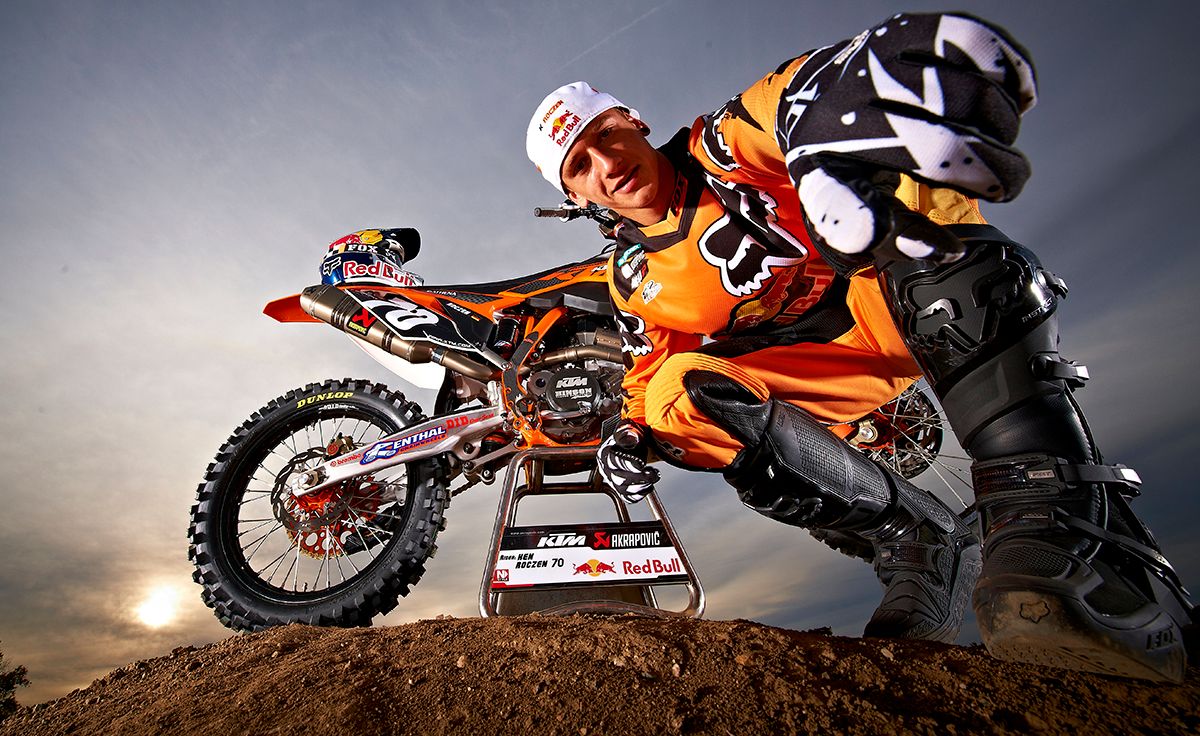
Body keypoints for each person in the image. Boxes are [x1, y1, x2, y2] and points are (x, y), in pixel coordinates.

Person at [525, 12, 1194, 682]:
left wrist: (834, 93)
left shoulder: (720, 150)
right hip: (831, 365)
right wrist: (632, 433)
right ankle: (916, 540)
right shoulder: (635, 276)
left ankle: (1060, 519)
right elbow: (647, 370)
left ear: (633, 121)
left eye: (605, 134)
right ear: (573, 194)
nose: (607, 164)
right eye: (580, 165)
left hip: (903, 291)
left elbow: (782, 102)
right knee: (675, 405)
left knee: (889, 166)